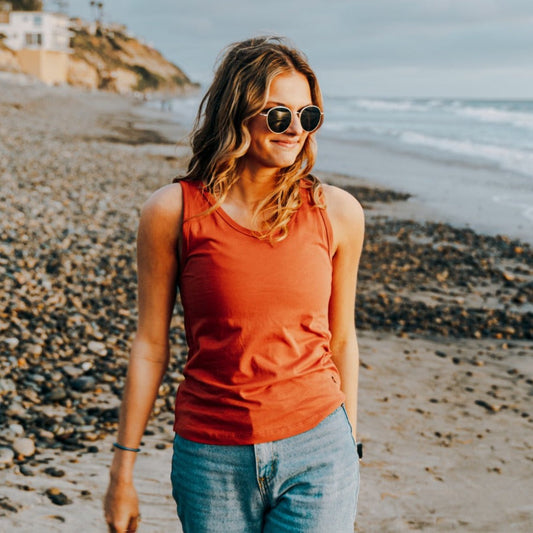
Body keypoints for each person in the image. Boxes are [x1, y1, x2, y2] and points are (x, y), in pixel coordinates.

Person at [104, 36, 364, 533]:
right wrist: (123, 470)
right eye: (278, 115)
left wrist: (350, 448)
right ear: (237, 111)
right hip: (210, 460)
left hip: (319, 451)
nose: (295, 131)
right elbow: (149, 346)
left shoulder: (338, 213)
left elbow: (344, 339)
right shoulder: (172, 212)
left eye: (307, 117)